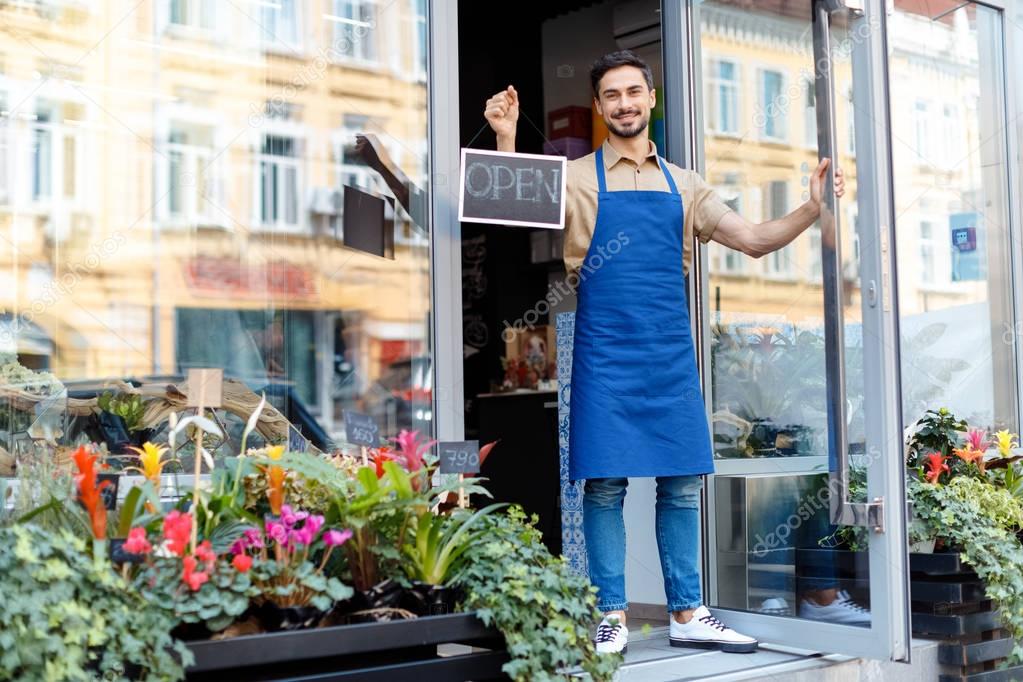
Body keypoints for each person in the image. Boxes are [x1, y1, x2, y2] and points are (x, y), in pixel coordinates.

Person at [484, 49, 846, 656]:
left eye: (633, 92)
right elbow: (508, 209)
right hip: (604, 352)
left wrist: (812, 208)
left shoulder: (685, 184)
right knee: (603, 486)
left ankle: (687, 611)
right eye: (611, 96)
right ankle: (610, 615)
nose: (624, 104)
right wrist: (506, 138)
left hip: (668, 353)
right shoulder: (575, 177)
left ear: (649, 99)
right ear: (599, 107)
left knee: (680, 484)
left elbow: (754, 241)